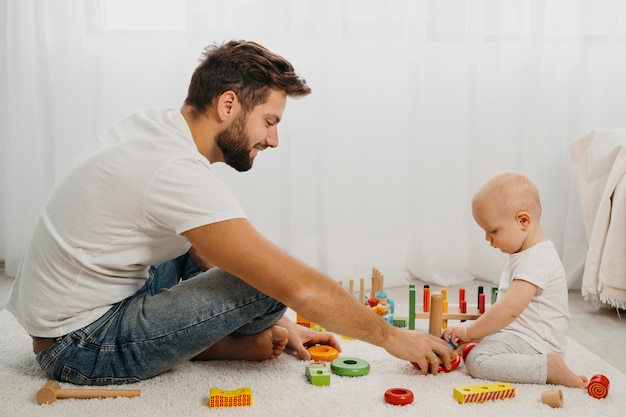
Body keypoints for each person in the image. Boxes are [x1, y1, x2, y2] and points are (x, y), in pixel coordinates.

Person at [7, 40, 453, 386]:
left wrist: (284, 326)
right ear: (227, 105)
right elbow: (295, 285)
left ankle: (212, 340)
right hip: (79, 345)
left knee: (234, 257)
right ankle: (216, 347)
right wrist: (394, 338)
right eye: (270, 121)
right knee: (269, 283)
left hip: (82, 308)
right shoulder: (173, 172)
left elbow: (207, 253)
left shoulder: (156, 127)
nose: (274, 140)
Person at [442, 171, 587, 388]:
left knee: (477, 362)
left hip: (537, 344)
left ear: (523, 220)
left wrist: (471, 331)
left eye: (492, 230)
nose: (487, 238)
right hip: (520, 335)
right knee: (478, 341)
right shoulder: (525, 254)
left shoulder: (537, 258)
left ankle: (548, 368)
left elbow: (510, 309)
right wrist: (475, 332)